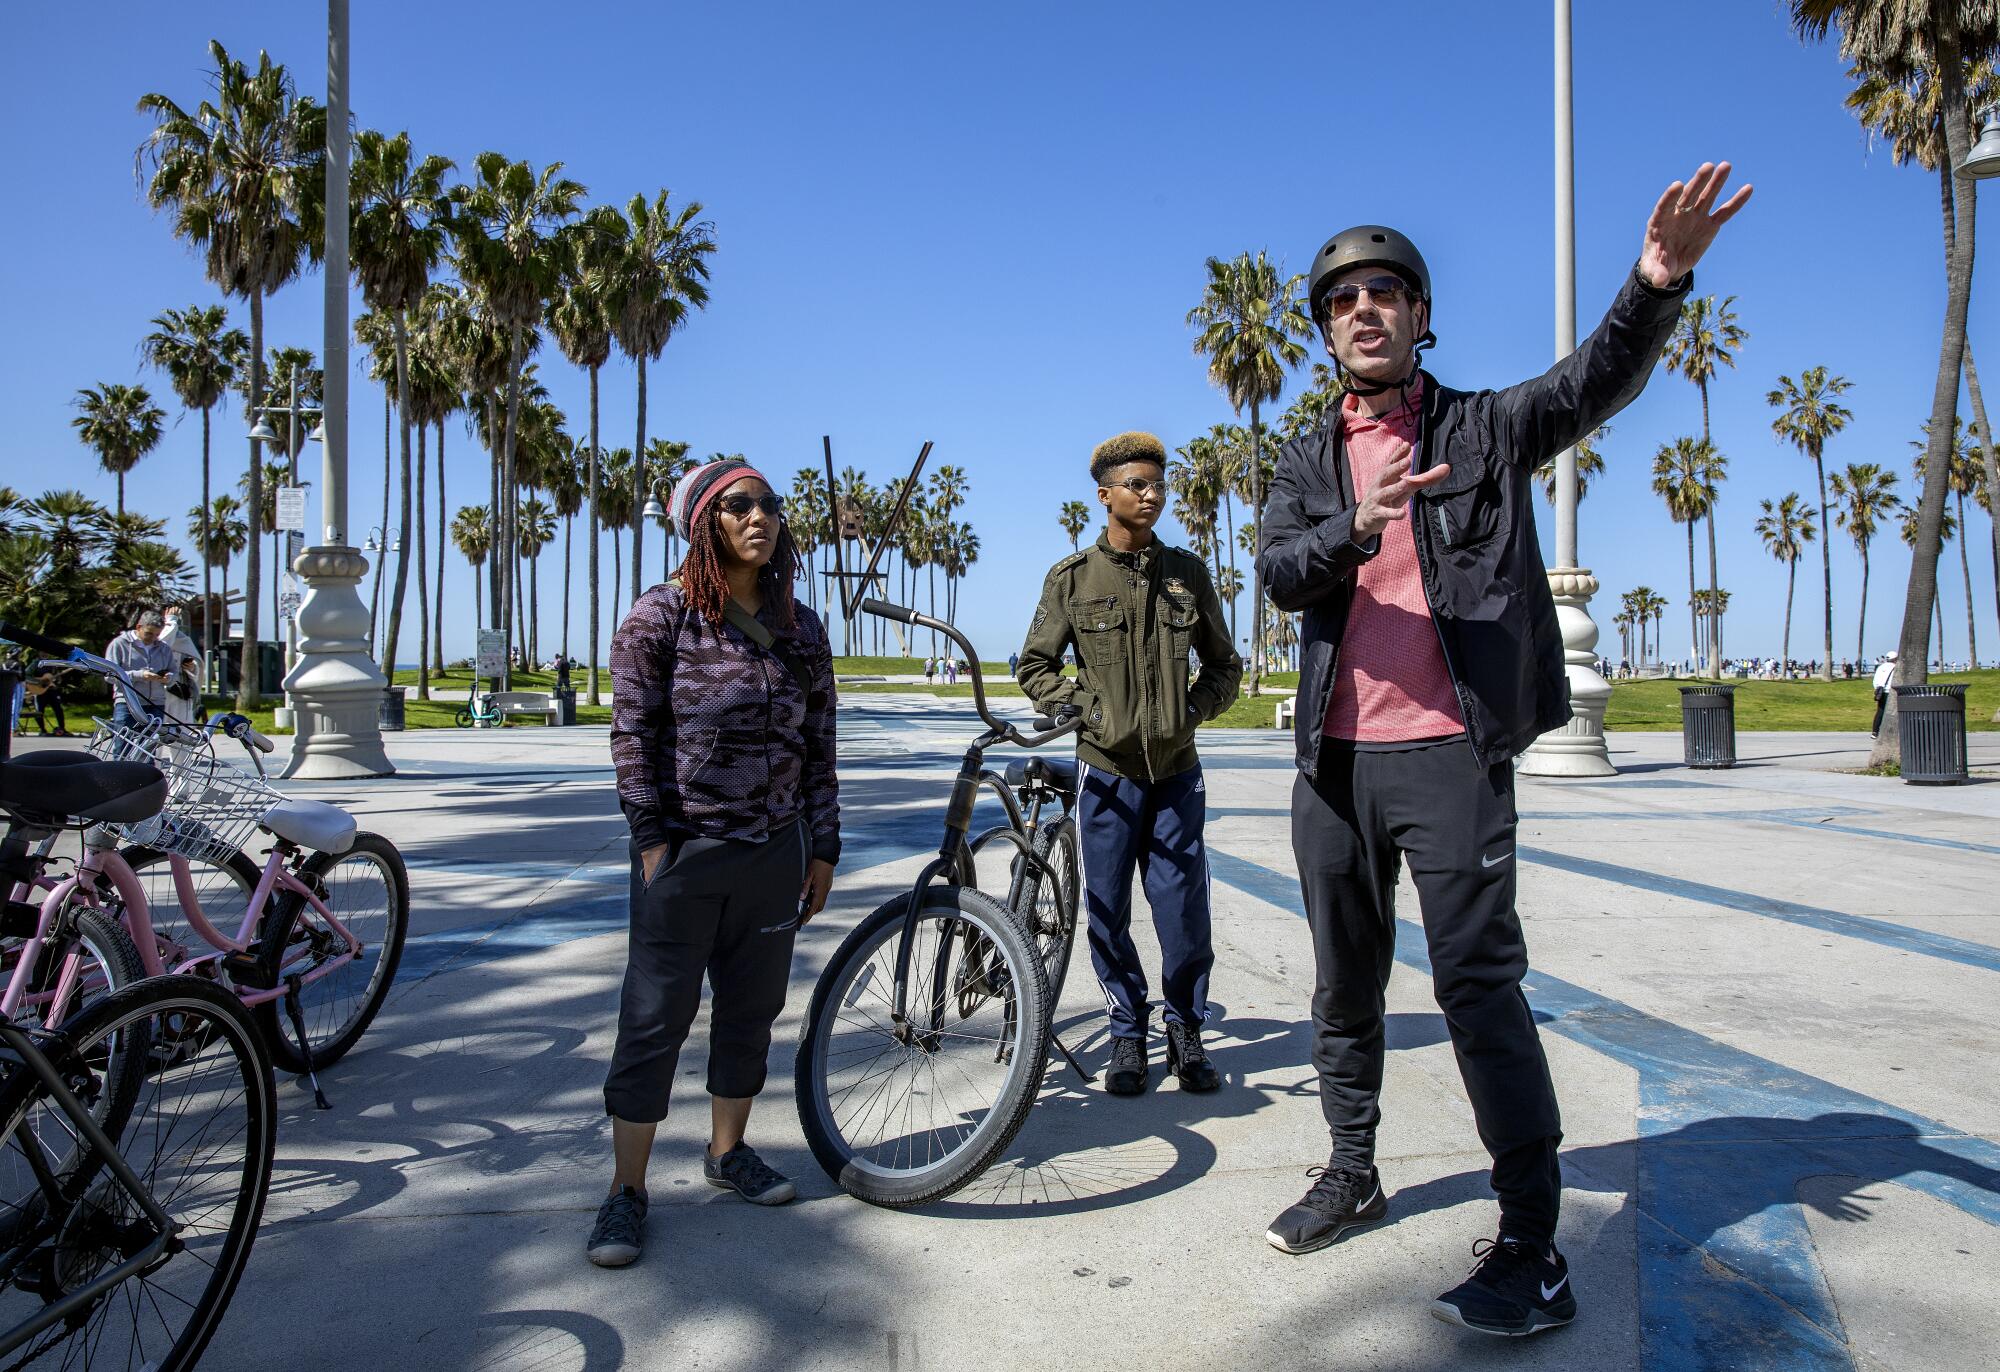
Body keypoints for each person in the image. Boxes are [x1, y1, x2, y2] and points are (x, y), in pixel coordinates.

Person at [1255, 164, 1750, 1336]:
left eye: (1386, 291)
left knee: (1478, 988)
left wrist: (1654, 282)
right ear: (1325, 329)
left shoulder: (1481, 425)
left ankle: (1529, 1238)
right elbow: (1279, 571)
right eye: (1342, 298)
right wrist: (1355, 523)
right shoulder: (1303, 460)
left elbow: (1590, 383)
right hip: (1330, 763)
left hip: (1447, 754)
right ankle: (1351, 1166)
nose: (1364, 309)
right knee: (1343, 982)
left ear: (1421, 317)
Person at [592, 457, 840, 1268]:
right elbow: (632, 735)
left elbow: (820, 745)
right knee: (654, 1020)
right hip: (688, 854)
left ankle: (726, 1152)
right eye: (739, 505)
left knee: (751, 1009)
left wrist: (823, 844)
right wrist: (653, 839)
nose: (759, 517)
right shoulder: (659, 619)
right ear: (704, 521)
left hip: (775, 851)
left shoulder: (801, 626)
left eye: (769, 504)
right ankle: (627, 1190)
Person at [1018, 431, 1242, 1095]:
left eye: (1157, 484)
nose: (1151, 495)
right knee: (1108, 907)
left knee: (1182, 911)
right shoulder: (1072, 579)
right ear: (1105, 495)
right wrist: (1083, 708)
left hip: (1176, 771)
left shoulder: (1188, 574)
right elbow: (1034, 663)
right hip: (1105, 770)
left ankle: (1186, 1031)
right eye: (1136, 485)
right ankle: (1126, 1035)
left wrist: (1190, 712)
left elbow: (1225, 665)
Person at [105, 611, 180, 732]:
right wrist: (140, 675)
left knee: (148, 748)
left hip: (156, 704)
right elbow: (109, 675)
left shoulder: (164, 648)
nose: (153, 638)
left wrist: (168, 678)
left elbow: (175, 673)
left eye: (157, 634)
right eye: (149, 633)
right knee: (123, 747)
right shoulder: (119, 644)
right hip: (127, 704)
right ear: (139, 627)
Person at [159, 602, 204, 725]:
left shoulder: (182, 638)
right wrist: (171, 621)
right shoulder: (155, 637)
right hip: (158, 690)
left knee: (181, 729)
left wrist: (192, 666)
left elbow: (196, 664)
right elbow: (162, 644)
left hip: (180, 690)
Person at [1870, 650, 1897, 737]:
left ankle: (1875, 731)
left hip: (1880, 691)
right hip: (1890, 691)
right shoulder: (1895, 668)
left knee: (1880, 711)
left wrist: (1878, 689)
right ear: (1895, 659)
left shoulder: (1880, 667)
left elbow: (1875, 681)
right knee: (1893, 711)